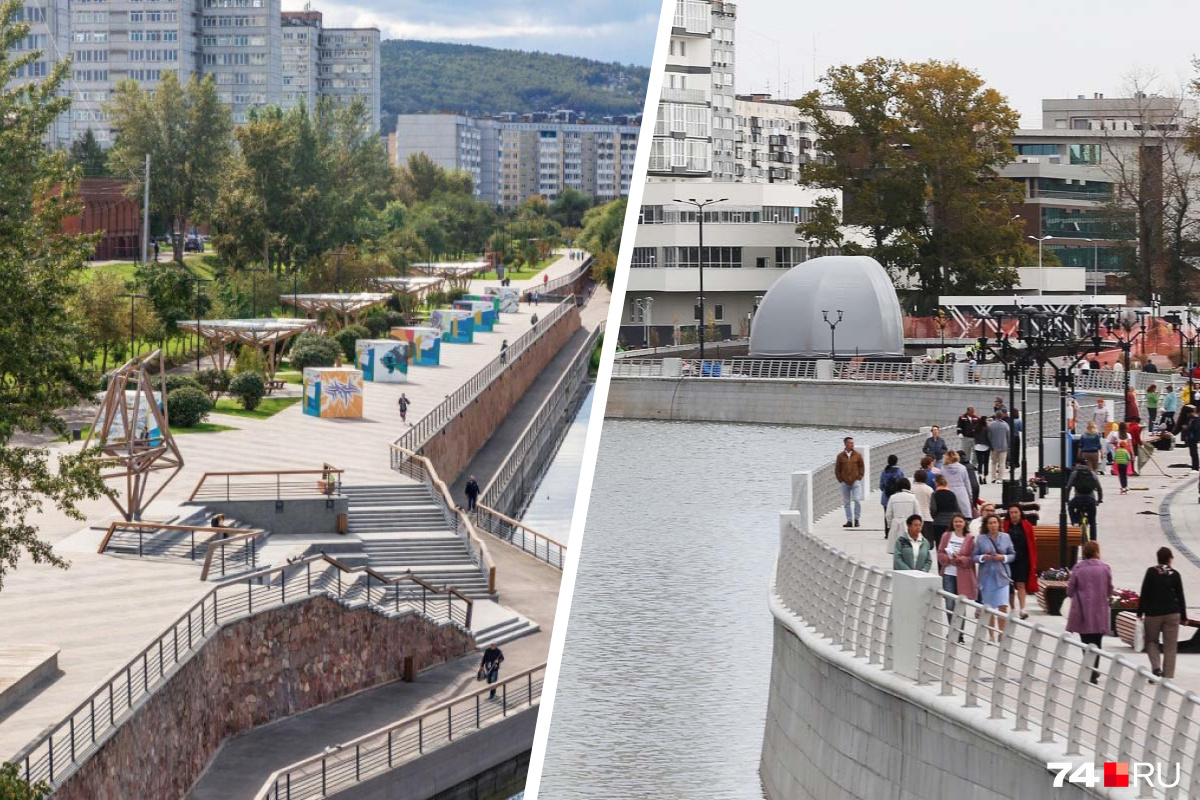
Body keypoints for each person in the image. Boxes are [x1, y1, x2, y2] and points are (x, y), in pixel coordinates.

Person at [1066, 541, 1113, 684]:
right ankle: (1095, 670)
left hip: (1082, 610)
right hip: (1100, 610)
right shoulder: (1105, 568)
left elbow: (1070, 590)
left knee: (1085, 641)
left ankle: (1089, 668)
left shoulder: (1078, 569)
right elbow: (1110, 588)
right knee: (1097, 641)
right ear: (1096, 552)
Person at [1138, 546, 1188, 679]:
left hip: (1153, 613)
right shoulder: (1175, 574)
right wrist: (1184, 616)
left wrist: (1139, 612)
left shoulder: (1151, 572)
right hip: (1173, 613)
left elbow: (1144, 593)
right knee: (1170, 646)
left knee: (1151, 641)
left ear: (1158, 559)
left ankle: (1156, 668)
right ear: (1170, 559)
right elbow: (1180, 596)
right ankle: (1167, 676)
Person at [975, 515, 1016, 641]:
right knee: (989, 607)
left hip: (1002, 576)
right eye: (990, 523)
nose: (993, 525)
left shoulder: (1006, 537)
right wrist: (983, 557)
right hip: (987, 577)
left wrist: (1003, 558)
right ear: (986, 525)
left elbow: (1012, 554)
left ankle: (1001, 633)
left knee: (1003, 605)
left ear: (999, 524)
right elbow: (974, 556)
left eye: (995, 523)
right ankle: (991, 634)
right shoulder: (981, 539)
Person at [937, 513, 977, 635]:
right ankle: (952, 629)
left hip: (963, 575)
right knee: (949, 603)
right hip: (949, 573)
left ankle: (959, 633)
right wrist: (948, 559)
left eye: (960, 521)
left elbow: (971, 558)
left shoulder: (969, 538)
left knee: (960, 604)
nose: (958, 524)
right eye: (956, 522)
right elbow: (940, 553)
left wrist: (960, 559)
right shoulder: (946, 536)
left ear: (964, 523)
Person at [1003, 504, 1038, 620]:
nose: (1013, 515)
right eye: (1011, 512)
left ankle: (1022, 609)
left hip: (1023, 559)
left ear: (1020, 513)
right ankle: (1012, 607)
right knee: (1009, 585)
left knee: (1021, 584)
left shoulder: (1027, 526)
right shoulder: (1005, 525)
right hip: (1008, 559)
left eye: (1016, 512)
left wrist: (1033, 560)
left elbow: (1032, 544)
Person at [1066, 461, 1103, 540]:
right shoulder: (1092, 473)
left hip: (1078, 499)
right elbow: (1099, 488)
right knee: (1092, 522)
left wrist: (1067, 500)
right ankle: (1093, 541)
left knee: (1070, 507)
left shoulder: (1075, 473)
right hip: (1091, 499)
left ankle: (1075, 522)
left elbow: (1068, 487)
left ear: (1078, 464)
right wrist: (1099, 500)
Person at [835, 436, 864, 528]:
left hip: (855, 481)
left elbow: (861, 467)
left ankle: (856, 519)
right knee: (847, 502)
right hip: (845, 482)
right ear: (846, 444)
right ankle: (849, 520)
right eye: (850, 443)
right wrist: (840, 480)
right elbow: (837, 469)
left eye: (853, 443)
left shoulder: (858, 455)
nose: (852, 445)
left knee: (857, 500)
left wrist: (860, 477)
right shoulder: (840, 456)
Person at [884, 478, 919, 549]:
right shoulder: (913, 497)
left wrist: (890, 525)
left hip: (895, 525)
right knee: (909, 549)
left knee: (896, 549)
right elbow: (918, 514)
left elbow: (888, 514)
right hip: (909, 525)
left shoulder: (893, 497)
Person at [942, 450, 975, 520]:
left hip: (949, 491)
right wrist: (970, 495)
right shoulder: (962, 468)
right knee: (965, 514)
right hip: (961, 491)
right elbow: (967, 482)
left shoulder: (943, 469)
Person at [929, 475, 960, 544]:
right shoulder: (952, 494)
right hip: (950, 523)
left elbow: (933, 509)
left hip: (939, 522)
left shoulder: (934, 494)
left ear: (936, 483)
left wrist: (935, 517)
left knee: (940, 545)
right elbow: (957, 509)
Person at [911, 468, 935, 548]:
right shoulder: (929, 489)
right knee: (927, 544)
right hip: (927, 517)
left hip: (914, 517)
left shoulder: (911, 488)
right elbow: (931, 503)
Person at [987, 414, 1011, 484]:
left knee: (993, 463)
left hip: (993, 446)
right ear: (1001, 416)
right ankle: (1000, 478)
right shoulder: (1005, 425)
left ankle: (993, 477)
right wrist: (1008, 445)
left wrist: (990, 445)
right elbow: (1008, 436)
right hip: (1003, 446)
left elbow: (989, 436)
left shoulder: (991, 425)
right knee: (1002, 463)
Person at [1113, 423, 1134, 492]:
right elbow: (1130, 445)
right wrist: (1132, 454)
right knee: (1126, 470)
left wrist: (1116, 443)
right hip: (1126, 450)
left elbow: (1111, 441)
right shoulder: (1128, 435)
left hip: (1118, 450)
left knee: (1119, 471)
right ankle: (1126, 485)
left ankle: (1122, 485)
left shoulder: (1116, 434)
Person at [972, 415, 992, 481]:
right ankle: (985, 476)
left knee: (980, 462)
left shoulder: (976, 428)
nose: (987, 421)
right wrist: (991, 447)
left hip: (977, 446)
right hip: (985, 446)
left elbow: (974, 437)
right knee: (986, 462)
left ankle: (980, 474)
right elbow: (988, 438)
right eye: (987, 420)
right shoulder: (987, 428)